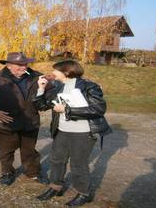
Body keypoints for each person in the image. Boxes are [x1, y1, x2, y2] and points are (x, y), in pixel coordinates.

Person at [34, 59, 112, 206]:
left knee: (78, 164)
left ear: (66, 71)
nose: (53, 73)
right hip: (62, 131)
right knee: (57, 160)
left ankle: (84, 193)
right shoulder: (58, 87)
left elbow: (98, 109)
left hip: (83, 133)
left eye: (56, 70)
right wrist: (41, 89)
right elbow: (42, 105)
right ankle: (55, 187)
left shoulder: (90, 86)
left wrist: (67, 110)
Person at [0, 52, 48, 186]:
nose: (24, 67)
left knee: (29, 151)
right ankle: (7, 173)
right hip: (6, 123)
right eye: (19, 65)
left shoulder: (37, 76)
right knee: (6, 151)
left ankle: (33, 172)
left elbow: (51, 93)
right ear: (8, 65)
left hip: (30, 122)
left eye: (25, 64)